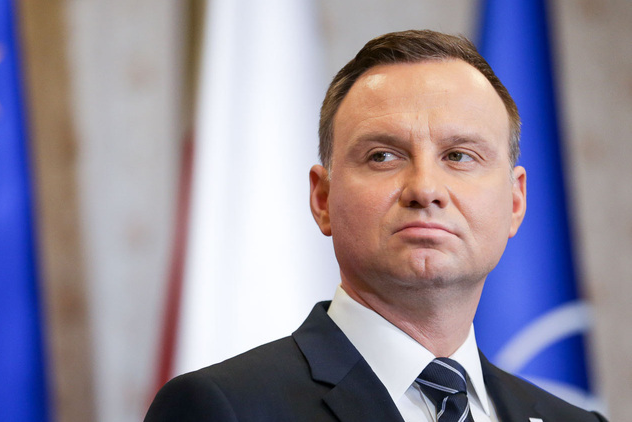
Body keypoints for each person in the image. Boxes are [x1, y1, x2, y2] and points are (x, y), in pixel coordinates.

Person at [145, 30, 607, 422]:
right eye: (383, 156)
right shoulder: (221, 408)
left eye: (459, 155)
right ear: (322, 199)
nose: (425, 188)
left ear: (516, 201)